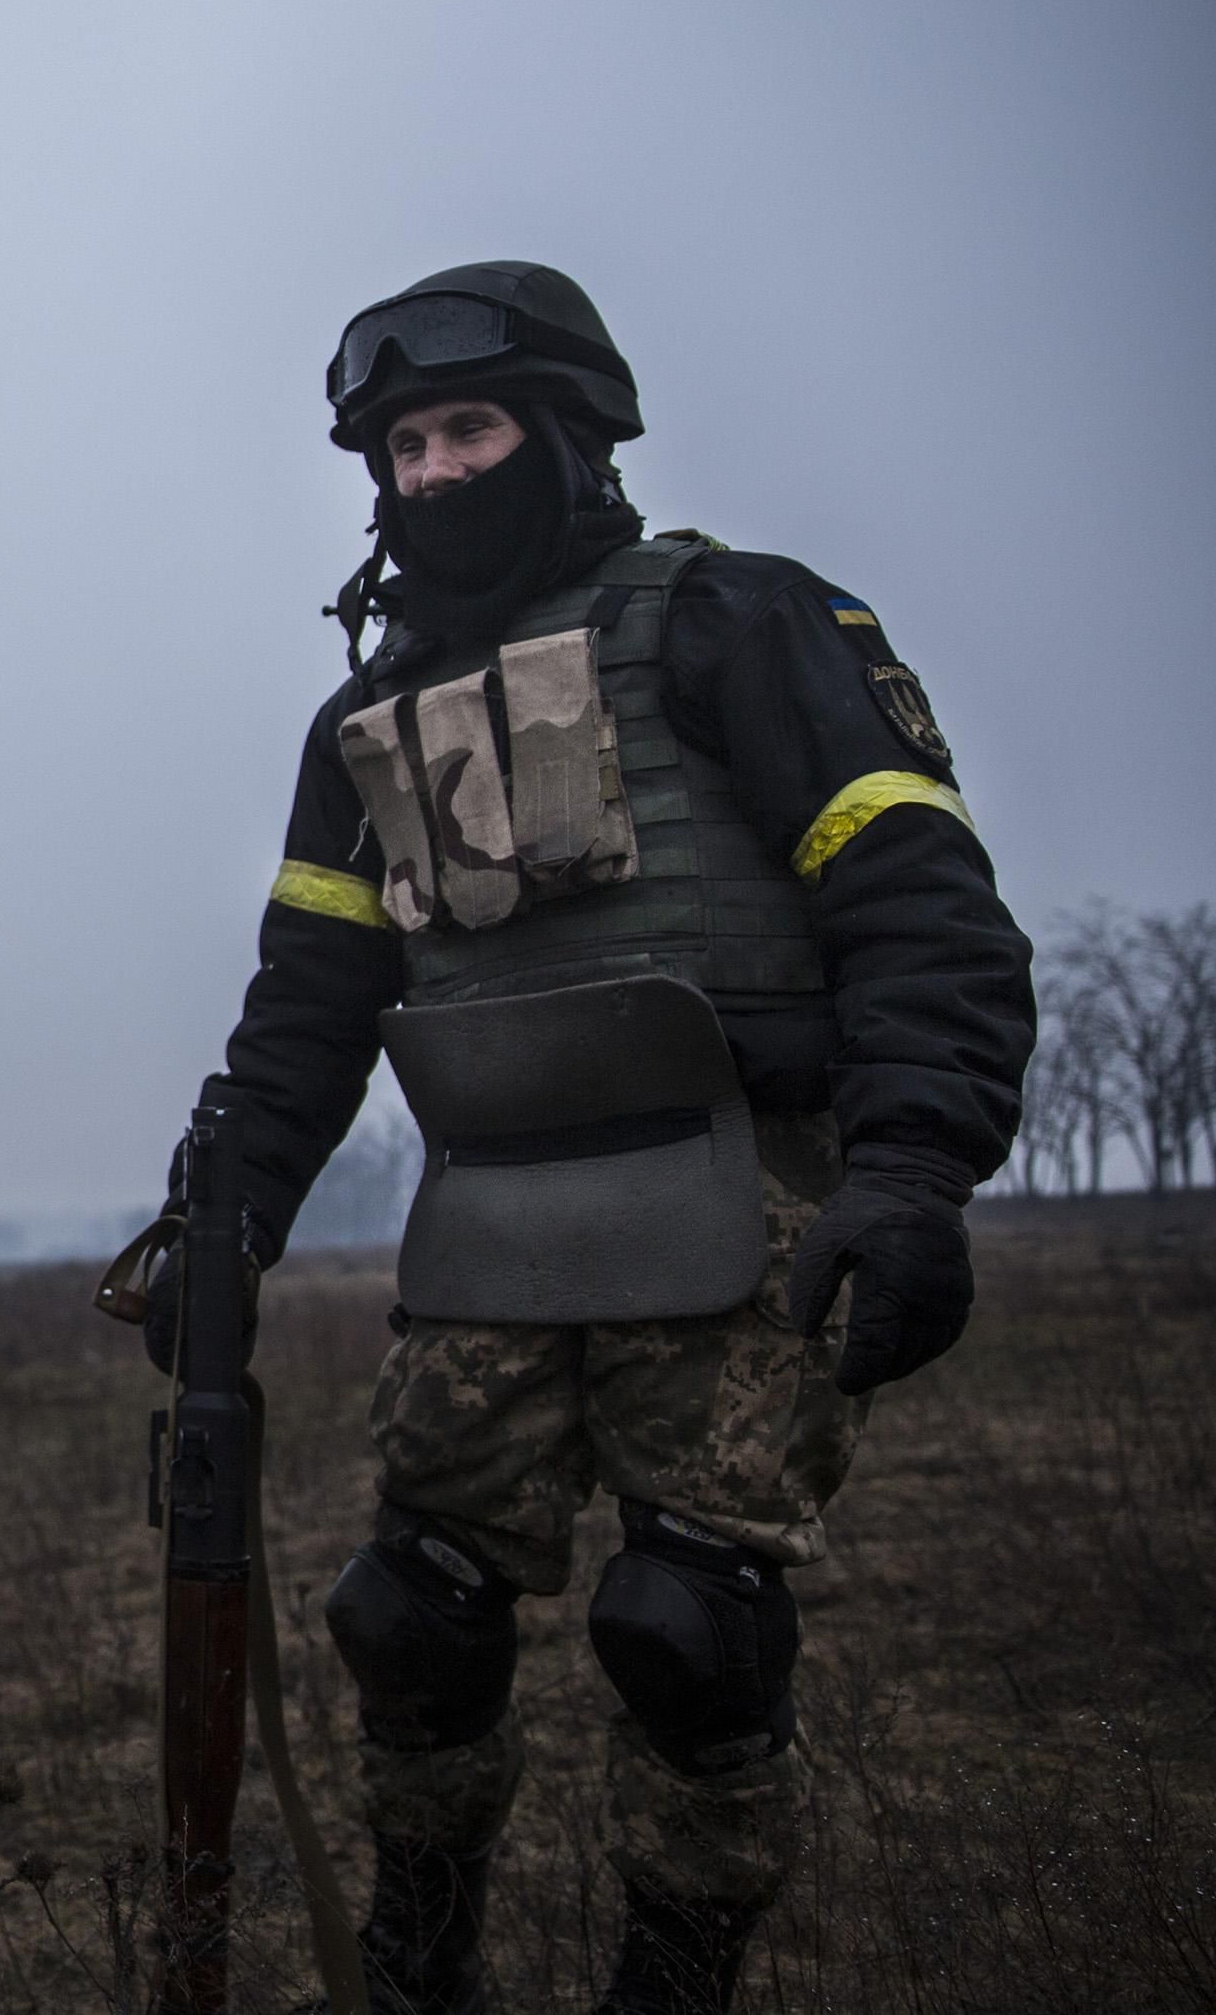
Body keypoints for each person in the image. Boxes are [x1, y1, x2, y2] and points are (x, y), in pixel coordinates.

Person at [153, 264, 1033, 2015]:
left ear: (564, 432)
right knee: (407, 1614)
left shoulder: (737, 621)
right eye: (401, 444)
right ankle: (418, 1953)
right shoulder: (363, 727)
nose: (432, 473)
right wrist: (224, 1219)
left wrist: (917, 1164)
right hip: (492, 1224)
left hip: (737, 1201)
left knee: (685, 1628)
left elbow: (919, 903)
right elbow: (310, 1002)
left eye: (468, 427)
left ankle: (677, 1972)